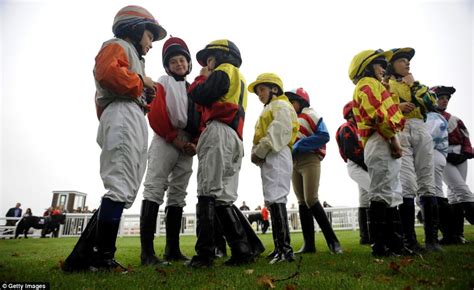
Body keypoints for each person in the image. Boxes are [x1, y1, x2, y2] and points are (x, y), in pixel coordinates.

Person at [62, 5, 167, 273]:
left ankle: (82, 257)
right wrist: (143, 83)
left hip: (131, 114)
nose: (151, 44)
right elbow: (108, 74)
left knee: (127, 188)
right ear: (134, 28)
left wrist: (147, 93)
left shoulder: (134, 56)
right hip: (121, 113)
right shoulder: (116, 44)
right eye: (149, 36)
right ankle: (102, 258)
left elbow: (133, 86)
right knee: (119, 185)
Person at [186, 39, 264, 267]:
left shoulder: (222, 71)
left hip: (218, 132)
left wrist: (201, 77)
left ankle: (205, 255)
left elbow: (199, 95)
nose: (207, 64)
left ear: (219, 56)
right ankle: (243, 250)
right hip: (235, 137)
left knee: (207, 192)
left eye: (209, 58)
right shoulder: (240, 77)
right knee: (223, 197)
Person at [139, 36, 199, 265]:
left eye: (182, 60)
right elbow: (155, 112)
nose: (179, 64)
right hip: (166, 138)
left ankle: (172, 249)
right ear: (167, 65)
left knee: (178, 193)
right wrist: (173, 138)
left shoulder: (194, 88)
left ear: (188, 63)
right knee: (155, 187)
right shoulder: (161, 81)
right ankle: (147, 253)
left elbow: (200, 116)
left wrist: (195, 140)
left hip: (186, 143)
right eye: (173, 61)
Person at [349, 49, 405, 256]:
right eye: (380, 64)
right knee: (382, 192)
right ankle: (381, 246)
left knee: (390, 192)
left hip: (383, 139)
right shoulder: (367, 84)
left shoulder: (376, 85)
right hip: (380, 139)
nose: (384, 69)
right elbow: (378, 116)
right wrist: (394, 139)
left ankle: (394, 245)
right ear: (367, 67)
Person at [387, 47, 442, 252]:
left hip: (420, 128)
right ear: (392, 65)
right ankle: (410, 241)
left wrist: (414, 84)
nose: (407, 63)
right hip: (400, 130)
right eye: (402, 60)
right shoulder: (385, 86)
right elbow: (382, 109)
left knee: (428, 181)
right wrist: (397, 107)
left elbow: (432, 104)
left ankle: (432, 240)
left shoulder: (418, 85)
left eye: (408, 60)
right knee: (407, 184)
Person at [248, 73, 299, 264]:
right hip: (271, 153)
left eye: (262, 89)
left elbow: (277, 130)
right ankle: (279, 247)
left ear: (274, 89)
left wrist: (259, 151)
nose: (259, 94)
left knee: (277, 196)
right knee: (272, 198)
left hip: (277, 151)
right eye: (258, 91)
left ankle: (285, 250)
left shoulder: (281, 105)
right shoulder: (270, 107)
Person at [287, 88, 342, 255]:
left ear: (301, 100)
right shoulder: (291, 119)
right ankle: (309, 244)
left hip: (309, 159)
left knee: (311, 198)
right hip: (294, 162)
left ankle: (333, 242)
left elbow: (324, 135)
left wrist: (300, 145)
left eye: (292, 101)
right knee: (302, 201)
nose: (289, 105)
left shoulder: (310, 113)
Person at [432, 85, 474, 243]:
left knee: (454, 196)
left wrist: (465, 153)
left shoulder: (455, 119)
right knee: (461, 190)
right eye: (441, 98)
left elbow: (466, 138)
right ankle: (453, 234)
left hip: (460, 156)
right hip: (443, 156)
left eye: (446, 98)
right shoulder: (429, 118)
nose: (444, 101)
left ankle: (457, 235)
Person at [336, 101, 371, 245]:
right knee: (375, 192)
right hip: (356, 165)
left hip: (362, 164)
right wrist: (367, 164)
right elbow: (350, 152)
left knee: (364, 198)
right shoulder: (347, 128)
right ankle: (377, 234)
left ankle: (365, 237)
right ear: (352, 113)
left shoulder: (359, 127)